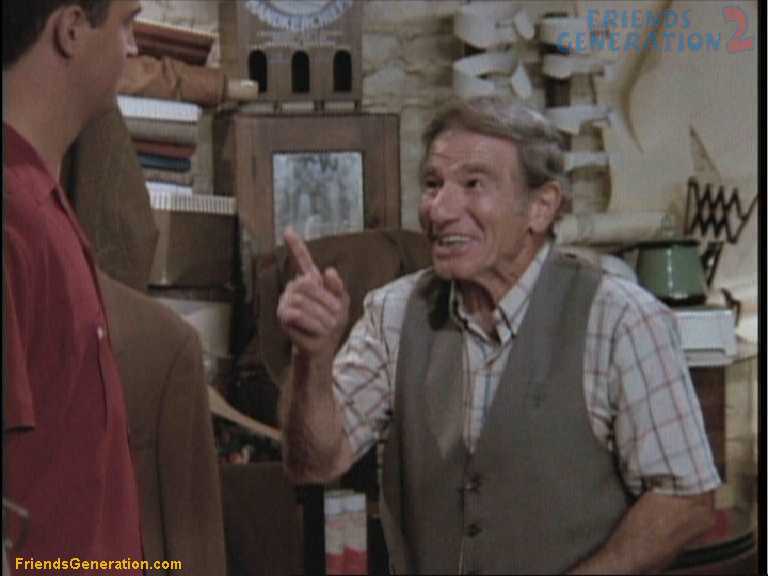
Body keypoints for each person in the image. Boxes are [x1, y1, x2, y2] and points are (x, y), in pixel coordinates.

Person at [277, 97, 721, 574]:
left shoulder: (621, 320)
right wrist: (313, 358)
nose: (439, 209)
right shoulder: (394, 313)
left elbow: (686, 500)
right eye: (433, 184)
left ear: (540, 207)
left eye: (473, 184)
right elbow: (314, 463)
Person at [4, 0, 144, 571]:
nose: (134, 47)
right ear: (71, 30)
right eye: (126, 24)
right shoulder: (14, 217)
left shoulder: (43, 205)